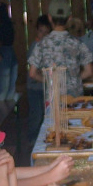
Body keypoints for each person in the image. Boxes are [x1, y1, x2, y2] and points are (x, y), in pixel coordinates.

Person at [28, 0, 93, 99]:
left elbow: (32, 73)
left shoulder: (41, 44)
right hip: (75, 100)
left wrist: (49, 81)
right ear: (69, 18)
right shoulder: (78, 43)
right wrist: (73, 81)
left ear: (49, 18)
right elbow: (89, 71)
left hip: (53, 101)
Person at [26, 15, 52, 144]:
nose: (43, 35)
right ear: (37, 30)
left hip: (44, 88)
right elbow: (33, 73)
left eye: (46, 32)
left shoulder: (47, 47)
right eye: (41, 31)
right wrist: (48, 80)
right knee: (36, 115)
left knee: (45, 114)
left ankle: (41, 140)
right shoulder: (35, 46)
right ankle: (32, 139)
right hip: (35, 88)